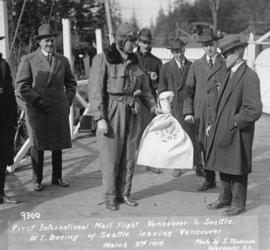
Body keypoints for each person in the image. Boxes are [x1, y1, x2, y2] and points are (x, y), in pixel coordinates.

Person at [88, 22, 161, 211]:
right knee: (110, 156)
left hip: (132, 111)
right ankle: (110, 197)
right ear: (121, 41)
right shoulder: (103, 59)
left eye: (136, 41)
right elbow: (95, 90)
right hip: (112, 112)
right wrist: (100, 117)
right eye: (132, 41)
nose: (135, 45)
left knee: (129, 156)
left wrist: (153, 107)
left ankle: (124, 194)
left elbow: (145, 89)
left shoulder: (134, 61)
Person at [16, 23, 77, 192]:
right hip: (37, 109)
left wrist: (67, 101)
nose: (50, 44)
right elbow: (21, 85)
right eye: (46, 41)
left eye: (51, 40)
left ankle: (57, 177)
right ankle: (37, 180)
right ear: (39, 42)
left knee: (57, 143)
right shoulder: (28, 60)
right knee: (38, 144)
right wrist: (36, 100)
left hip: (58, 108)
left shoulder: (63, 61)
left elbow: (71, 83)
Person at [205, 35, 262, 216]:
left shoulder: (249, 76)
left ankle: (238, 203)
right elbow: (220, 104)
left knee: (237, 168)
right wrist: (213, 124)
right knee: (224, 164)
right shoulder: (229, 73)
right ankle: (225, 198)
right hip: (223, 129)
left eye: (226, 53)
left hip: (238, 132)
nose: (222, 57)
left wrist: (234, 121)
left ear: (237, 53)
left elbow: (254, 110)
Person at [183, 29, 226, 190]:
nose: (209, 48)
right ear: (202, 47)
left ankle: (225, 180)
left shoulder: (224, 64)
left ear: (217, 44)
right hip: (201, 113)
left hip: (218, 112)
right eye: (206, 45)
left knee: (219, 145)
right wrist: (188, 112)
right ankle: (209, 180)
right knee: (204, 146)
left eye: (212, 45)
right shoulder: (196, 65)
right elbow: (189, 90)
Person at [158, 38, 201, 177]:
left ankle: (197, 164)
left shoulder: (192, 66)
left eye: (180, 51)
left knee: (193, 137)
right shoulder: (166, 68)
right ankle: (177, 165)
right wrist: (166, 108)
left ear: (184, 49)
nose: (179, 55)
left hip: (189, 106)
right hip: (174, 107)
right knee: (176, 138)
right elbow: (162, 90)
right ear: (172, 52)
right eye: (175, 52)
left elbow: (197, 88)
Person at [135, 28, 163, 174]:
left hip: (148, 103)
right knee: (132, 131)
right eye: (143, 42)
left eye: (148, 43)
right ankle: (129, 161)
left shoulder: (156, 62)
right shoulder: (130, 57)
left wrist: (155, 79)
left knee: (149, 132)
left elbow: (161, 86)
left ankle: (150, 162)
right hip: (132, 100)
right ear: (138, 42)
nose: (146, 45)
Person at [0, 36, 19, 204]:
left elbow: (9, 91)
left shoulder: (3, 64)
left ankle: (1, 193)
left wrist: (13, 116)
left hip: (3, 118)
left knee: (2, 157)